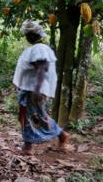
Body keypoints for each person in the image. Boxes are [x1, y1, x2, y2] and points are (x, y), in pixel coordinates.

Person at [11, 20, 69, 155]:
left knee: (30, 116)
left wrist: (37, 89)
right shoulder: (40, 48)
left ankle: (27, 146)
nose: (26, 37)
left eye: (27, 35)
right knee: (37, 115)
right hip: (31, 89)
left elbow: (42, 68)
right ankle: (61, 134)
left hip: (33, 90)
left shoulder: (39, 49)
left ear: (31, 35)